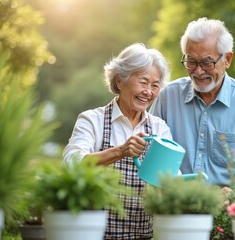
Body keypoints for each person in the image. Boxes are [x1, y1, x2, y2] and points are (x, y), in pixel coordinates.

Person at [149, 17, 235, 187]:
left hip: (229, 212)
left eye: (206, 62)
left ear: (227, 59)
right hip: (175, 207)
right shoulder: (168, 97)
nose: (198, 71)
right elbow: (150, 156)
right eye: (191, 61)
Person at [63, 43, 172, 240]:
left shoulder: (159, 128)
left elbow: (170, 178)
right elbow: (72, 163)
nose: (148, 91)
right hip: (94, 234)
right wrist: (120, 151)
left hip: (143, 236)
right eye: (143, 82)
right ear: (120, 81)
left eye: (155, 85)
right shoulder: (92, 120)